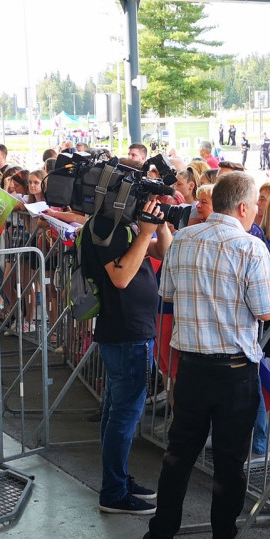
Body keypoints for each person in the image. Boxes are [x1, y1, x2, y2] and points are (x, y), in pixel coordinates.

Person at [141, 172, 270, 539]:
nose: (256, 213)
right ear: (243, 207)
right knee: (229, 464)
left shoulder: (183, 238)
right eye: (255, 207)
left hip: (191, 368)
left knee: (178, 455)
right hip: (234, 371)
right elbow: (267, 310)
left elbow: (167, 293)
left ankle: (160, 537)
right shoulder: (251, 247)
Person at [80, 198, 172, 515]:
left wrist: (159, 225)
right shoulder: (106, 225)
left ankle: (117, 481)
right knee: (123, 415)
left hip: (130, 332)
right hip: (126, 333)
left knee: (116, 412)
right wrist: (145, 233)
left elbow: (163, 252)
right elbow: (120, 278)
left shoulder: (122, 225)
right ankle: (114, 492)